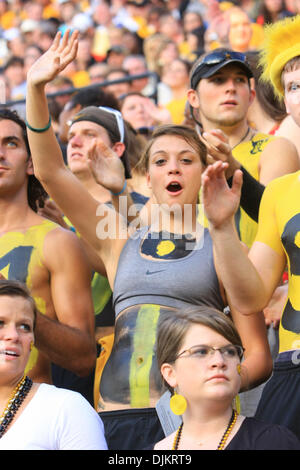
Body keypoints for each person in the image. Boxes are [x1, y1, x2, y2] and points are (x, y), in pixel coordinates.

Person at [25, 29, 272, 450]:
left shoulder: (226, 246)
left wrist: (212, 392)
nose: (173, 169)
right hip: (113, 419)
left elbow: (258, 356)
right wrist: (35, 87)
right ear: (148, 177)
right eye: (161, 161)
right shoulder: (116, 238)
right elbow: (51, 172)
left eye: (186, 160)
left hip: (187, 424)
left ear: (203, 171)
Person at [199, 14, 300, 439]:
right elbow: (251, 295)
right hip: (295, 370)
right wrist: (223, 229)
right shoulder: (282, 193)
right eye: (294, 87)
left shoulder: (272, 152)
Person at [0, 107, 96, 390]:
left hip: (26, 418)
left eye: (11, 143)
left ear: (31, 163)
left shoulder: (57, 241)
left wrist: (13, 301)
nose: (0, 153)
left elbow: (83, 357)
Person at [187, 47, 299, 250]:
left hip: (263, 278)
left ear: (251, 96)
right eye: (218, 80)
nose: (231, 88)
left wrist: (232, 170)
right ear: (193, 97)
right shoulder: (180, 156)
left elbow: (278, 221)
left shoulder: (275, 148)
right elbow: (147, 224)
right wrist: (120, 193)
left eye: (239, 80)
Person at [153, 306, 300, 450]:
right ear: (170, 374)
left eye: (230, 351)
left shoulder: (274, 442)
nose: (219, 361)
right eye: (201, 352)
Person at [0, 279, 107, 450]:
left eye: (24, 326)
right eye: (0, 323)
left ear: (32, 342)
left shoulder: (66, 408)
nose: (13, 335)